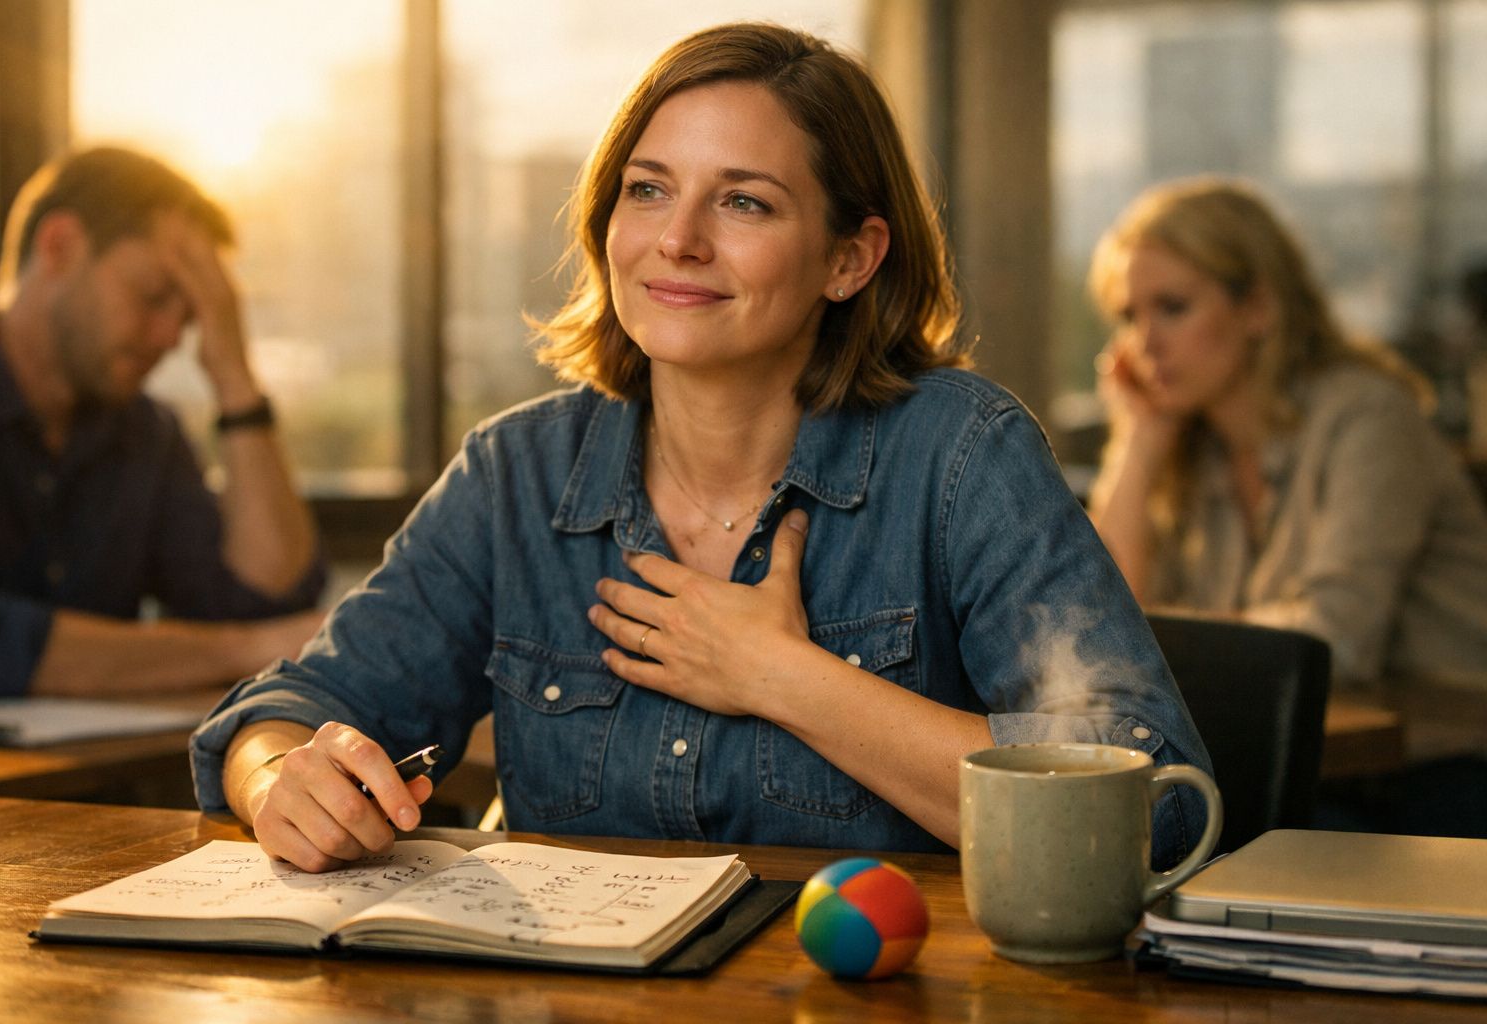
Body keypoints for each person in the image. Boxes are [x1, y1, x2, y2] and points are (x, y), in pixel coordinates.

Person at [192, 22, 1211, 874]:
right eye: (647, 189)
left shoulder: (961, 454)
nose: (676, 240)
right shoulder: (517, 476)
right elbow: (288, 710)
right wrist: (282, 776)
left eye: (743, 201)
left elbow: (1150, 799)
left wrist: (783, 676)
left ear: (849, 258)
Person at [0, 147, 327, 700]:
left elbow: (268, 601)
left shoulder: (146, 433)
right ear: (58, 246)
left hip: (96, 780)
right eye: (153, 298)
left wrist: (234, 377)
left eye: (190, 316)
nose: (171, 338)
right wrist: (240, 649)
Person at [1086, 177, 1487, 691]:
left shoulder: (1368, 416)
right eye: (1128, 316)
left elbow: (1336, 641)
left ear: (1258, 308)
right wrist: (1140, 441)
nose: (1144, 343)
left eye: (1172, 308)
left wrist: (1156, 638)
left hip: (1450, 750)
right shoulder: (1194, 447)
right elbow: (1097, 629)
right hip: (1331, 752)